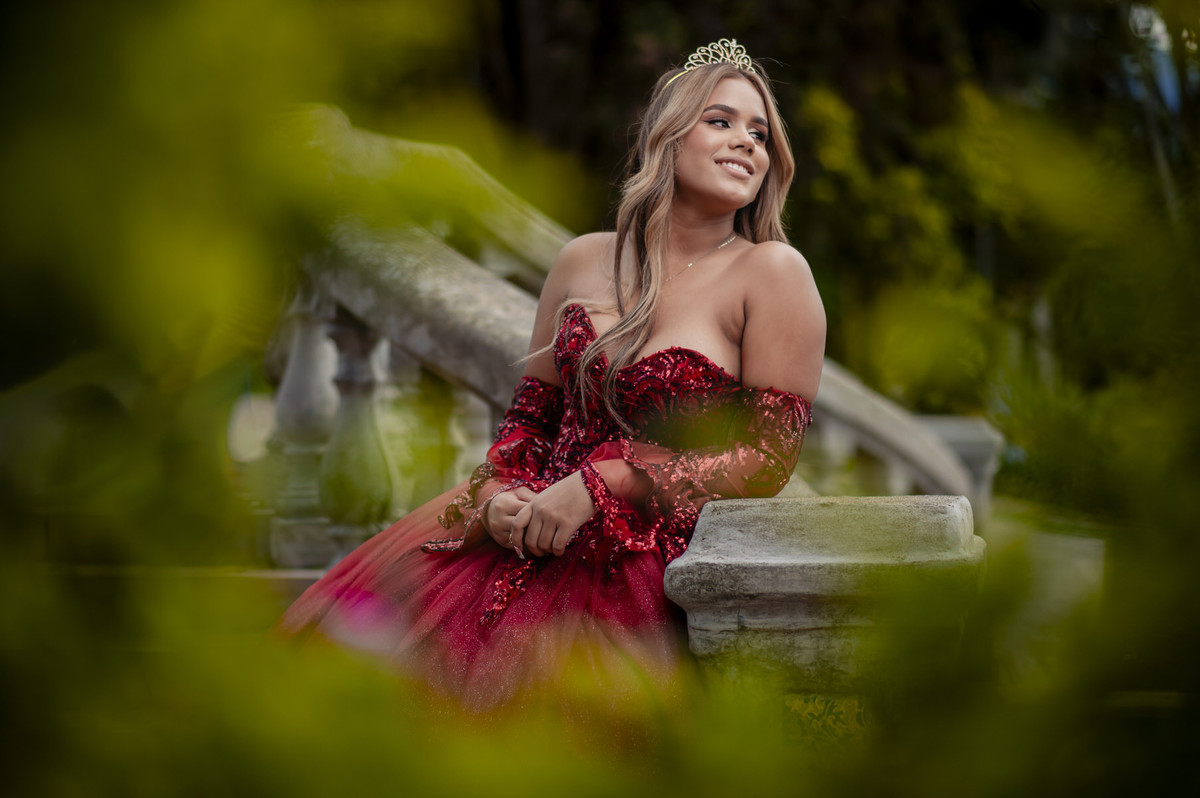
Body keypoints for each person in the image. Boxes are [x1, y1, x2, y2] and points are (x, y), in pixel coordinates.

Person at [276, 38, 826, 712]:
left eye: (760, 133)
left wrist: (605, 484)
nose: (746, 142)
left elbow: (767, 458)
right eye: (721, 121)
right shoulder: (582, 262)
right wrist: (497, 502)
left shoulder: (773, 273)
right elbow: (524, 429)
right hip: (521, 543)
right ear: (667, 135)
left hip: (638, 567)